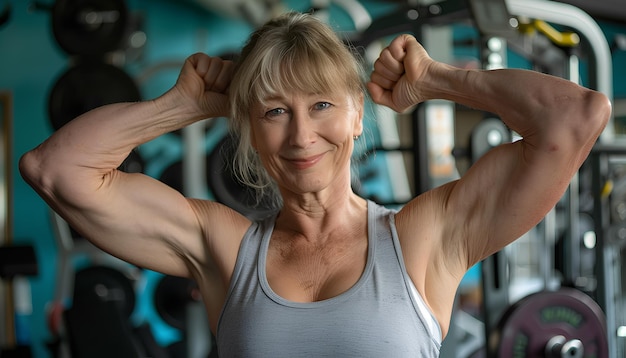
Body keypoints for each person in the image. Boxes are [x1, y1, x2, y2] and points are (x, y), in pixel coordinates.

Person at [20, 11, 610, 357]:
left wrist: (437, 79)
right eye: (274, 111)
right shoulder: (222, 248)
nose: (302, 135)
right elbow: (54, 169)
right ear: (248, 128)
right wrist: (181, 106)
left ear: (357, 114)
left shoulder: (426, 237)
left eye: (322, 104)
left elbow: (575, 118)